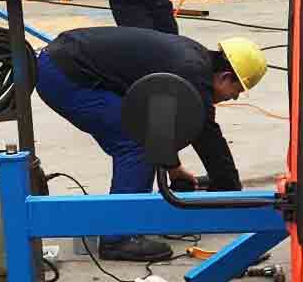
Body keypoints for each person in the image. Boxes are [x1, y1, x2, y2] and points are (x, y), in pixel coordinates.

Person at [35, 26, 268, 263]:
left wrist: (173, 168)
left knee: (142, 132)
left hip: (61, 62)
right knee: (136, 144)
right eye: (237, 90)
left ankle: (126, 221)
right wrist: (228, 188)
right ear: (225, 77)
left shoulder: (194, 61)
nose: (234, 97)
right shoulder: (193, 75)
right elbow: (207, 136)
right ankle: (118, 238)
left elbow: (158, 118)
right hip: (64, 75)